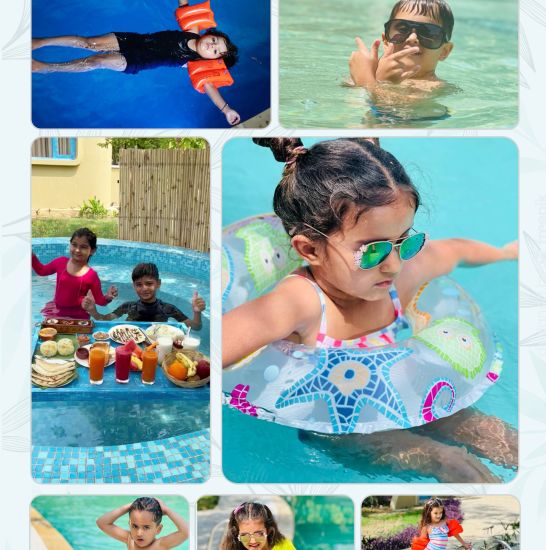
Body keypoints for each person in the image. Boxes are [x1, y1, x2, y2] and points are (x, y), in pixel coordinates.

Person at [222, 137, 517, 367]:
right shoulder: (301, 303)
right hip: (337, 432)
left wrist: (505, 253)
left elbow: (457, 251)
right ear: (310, 249)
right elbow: (219, 345)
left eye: (404, 241)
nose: (393, 264)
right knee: (441, 450)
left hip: (403, 396)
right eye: (373, 250)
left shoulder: (400, 277)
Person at [32, 0, 241, 125]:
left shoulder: (194, 62)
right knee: (90, 42)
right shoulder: (191, 31)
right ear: (209, 33)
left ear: (213, 60)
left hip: (136, 61)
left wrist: (226, 110)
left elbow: (210, 87)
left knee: (98, 60)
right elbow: (183, 3)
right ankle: (40, 42)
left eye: (216, 51)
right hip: (132, 39)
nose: (211, 46)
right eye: (214, 40)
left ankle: (47, 68)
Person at [349, 0, 454, 91]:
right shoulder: (372, 72)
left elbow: (388, 110)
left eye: (427, 32)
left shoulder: (433, 87)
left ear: (444, 51)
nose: (412, 38)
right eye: (403, 29)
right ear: (386, 40)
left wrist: (367, 80)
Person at [82, 262, 205, 328]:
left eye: (149, 283)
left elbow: (195, 327)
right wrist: (93, 312)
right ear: (134, 286)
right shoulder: (128, 307)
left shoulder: (168, 308)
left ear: (158, 284)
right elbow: (105, 320)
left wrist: (197, 312)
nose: (144, 288)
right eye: (139, 284)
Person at [32, 227, 117, 320]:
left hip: (78, 316)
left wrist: (108, 297)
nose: (77, 250)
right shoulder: (60, 262)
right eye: (74, 245)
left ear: (92, 250)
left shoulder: (92, 276)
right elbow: (41, 270)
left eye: (83, 247)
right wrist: (31, 256)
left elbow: (100, 301)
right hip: (56, 311)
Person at [96, 497, 189, 549]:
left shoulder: (160, 545)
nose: (139, 533)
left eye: (146, 527)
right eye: (135, 526)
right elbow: (102, 523)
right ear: (129, 524)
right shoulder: (130, 539)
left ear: (158, 529)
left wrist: (167, 510)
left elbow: (186, 532)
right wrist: (129, 506)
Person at [221, 502, 296, 550]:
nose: (253, 541)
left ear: (269, 530)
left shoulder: (284, 546)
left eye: (259, 534)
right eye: (245, 535)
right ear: (237, 534)